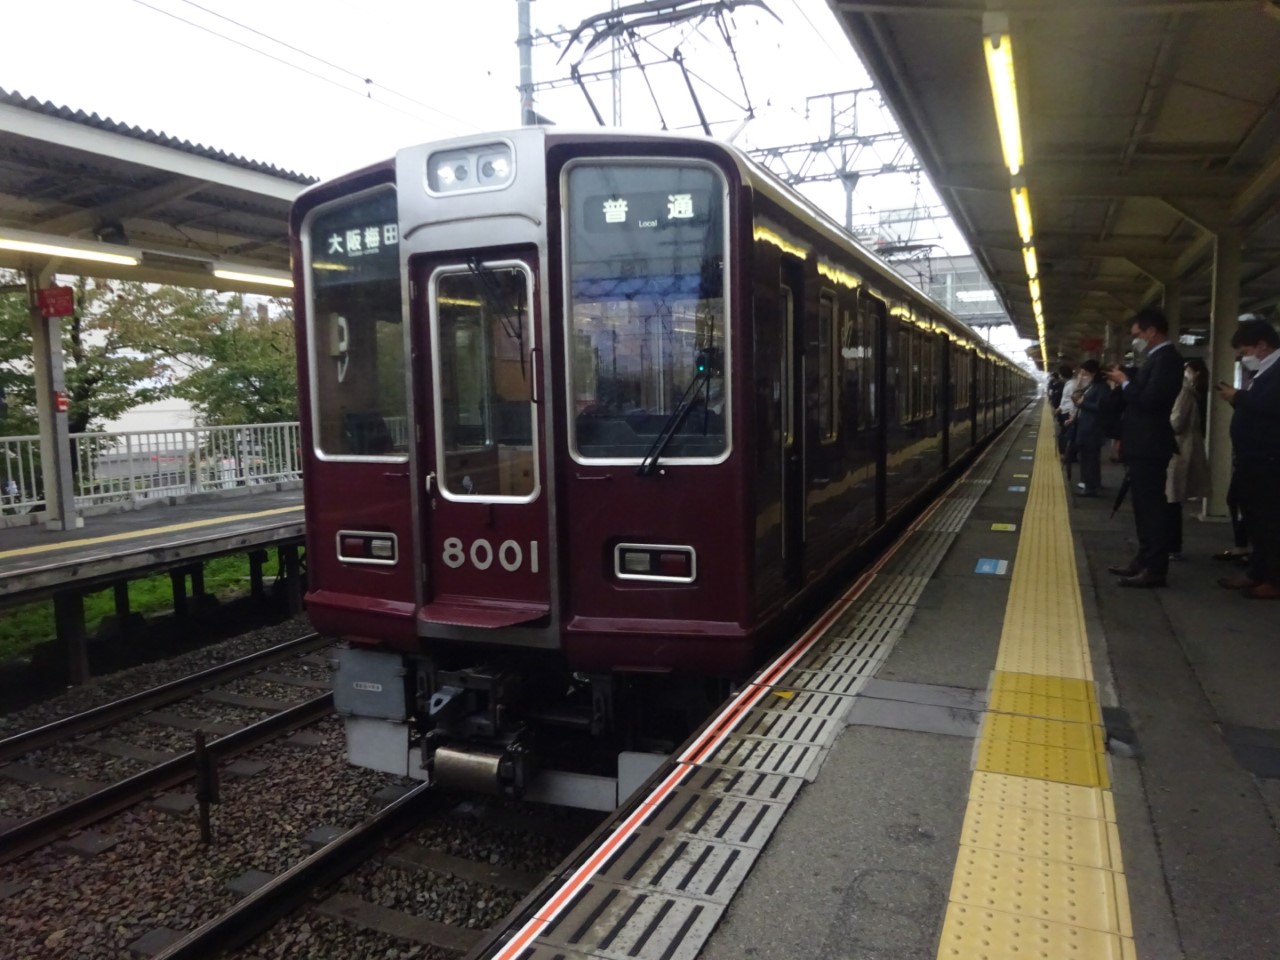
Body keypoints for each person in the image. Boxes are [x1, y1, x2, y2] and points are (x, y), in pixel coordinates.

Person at [1104, 308, 1184, 587]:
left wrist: (1125, 383)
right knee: (1143, 507)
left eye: (1137, 334)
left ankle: (1155, 569)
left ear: (1151, 331)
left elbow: (1151, 401)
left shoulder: (1167, 360)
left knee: (1151, 509)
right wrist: (1128, 377)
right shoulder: (1156, 359)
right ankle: (1144, 560)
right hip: (1144, 444)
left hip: (1150, 444)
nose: (1135, 340)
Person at [1215, 318, 1280, 599]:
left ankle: (1274, 579)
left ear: (1262, 345)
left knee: (1270, 521)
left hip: (1269, 458)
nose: (1243, 357)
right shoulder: (1264, 370)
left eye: (1245, 351)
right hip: (1253, 457)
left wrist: (1238, 397)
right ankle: (1258, 571)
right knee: (1254, 519)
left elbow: (1272, 406)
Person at [1165, 358, 1210, 558]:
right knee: (1172, 499)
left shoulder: (1182, 392)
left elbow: (1176, 422)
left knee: (1171, 499)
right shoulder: (1189, 392)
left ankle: (1171, 546)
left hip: (1179, 449)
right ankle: (1171, 545)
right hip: (1183, 448)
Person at [1073, 360, 1111, 496]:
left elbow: (1100, 407)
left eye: (1084, 373)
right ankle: (1091, 483)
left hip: (1092, 428)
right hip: (1087, 426)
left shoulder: (1102, 388)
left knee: (1090, 459)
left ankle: (1090, 487)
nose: (1081, 376)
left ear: (1093, 373)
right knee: (1088, 458)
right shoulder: (1092, 386)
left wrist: (1081, 404)